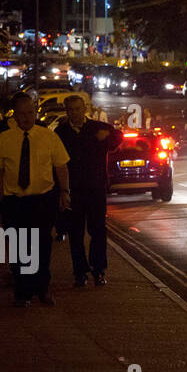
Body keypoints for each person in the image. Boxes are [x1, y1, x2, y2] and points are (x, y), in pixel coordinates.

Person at [0, 92, 71, 308]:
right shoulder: (4, 138)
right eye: (22, 114)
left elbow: (60, 165)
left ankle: (42, 288)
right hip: (15, 200)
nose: (26, 118)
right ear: (14, 115)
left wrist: (64, 192)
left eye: (30, 113)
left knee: (43, 245)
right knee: (18, 246)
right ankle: (22, 291)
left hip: (43, 199)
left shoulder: (48, 137)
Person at [54, 94, 121, 287]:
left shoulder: (97, 128)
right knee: (75, 233)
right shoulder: (61, 133)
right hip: (74, 190)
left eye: (77, 108)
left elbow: (118, 136)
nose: (74, 112)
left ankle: (98, 270)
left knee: (98, 230)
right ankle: (80, 273)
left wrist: (106, 137)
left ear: (84, 109)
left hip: (95, 188)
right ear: (66, 111)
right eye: (71, 109)